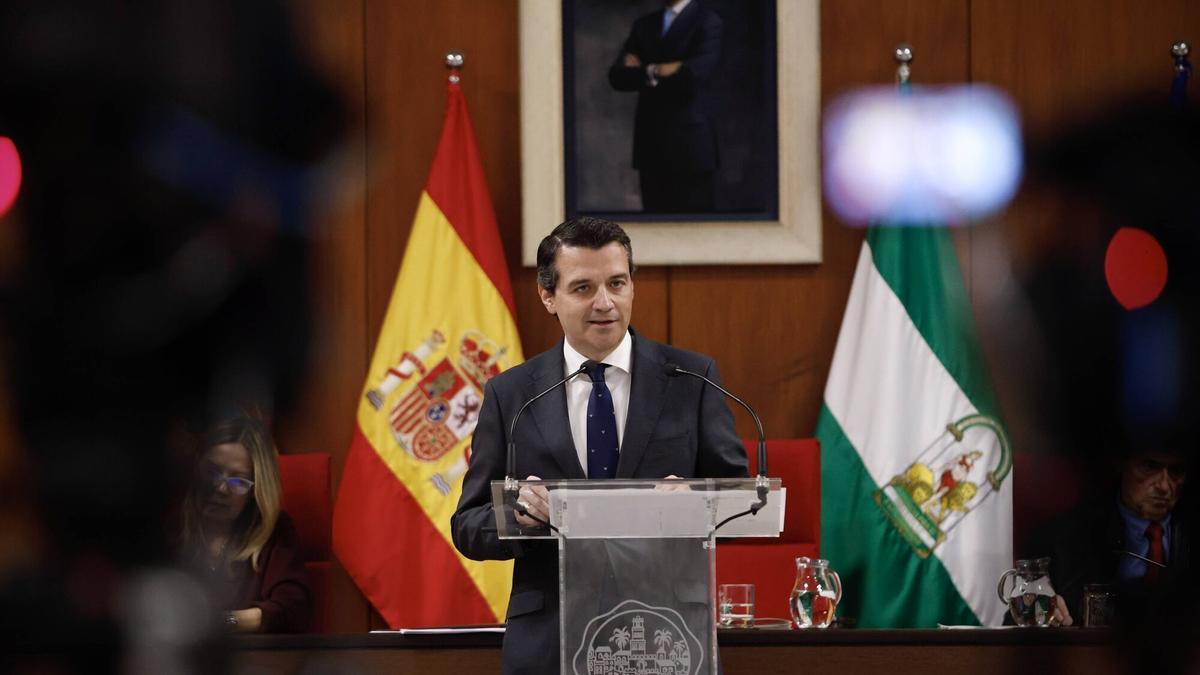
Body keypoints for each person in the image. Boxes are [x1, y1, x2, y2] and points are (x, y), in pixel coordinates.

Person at [451, 216, 748, 674]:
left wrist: (695, 503)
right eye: (584, 288)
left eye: (617, 283)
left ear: (633, 286)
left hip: (667, 631)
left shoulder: (691, 379)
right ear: (548, 296)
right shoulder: (512, 395)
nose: (605, 303)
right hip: (549, 638)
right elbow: (468, 525)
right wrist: (520, 516)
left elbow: (740, 499)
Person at [1029, 444, 1190, 625]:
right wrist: (1041, 611)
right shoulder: (1063, 539)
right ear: (1121, 464)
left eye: (1176, 471)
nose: (1164, 486)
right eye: (1150, 467)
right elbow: (1020, 616)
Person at [178, 415, 312, 633]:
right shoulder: (170, 524)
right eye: (211, 473)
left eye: (238, 481)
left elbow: (294, 609)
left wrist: (225, 621)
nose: (221, 489)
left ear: (255, 491)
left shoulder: (272, 530)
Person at [608, 0, 722, 213]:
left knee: (695, 231)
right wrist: (659, 70)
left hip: (691, 148)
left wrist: (642, 70)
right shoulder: (644, 25)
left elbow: (692, 78)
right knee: (655, 226)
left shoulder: (708, 21)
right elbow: (617, 77)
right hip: (651, 146)